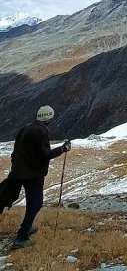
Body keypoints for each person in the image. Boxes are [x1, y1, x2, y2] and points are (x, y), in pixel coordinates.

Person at [9, 105, 71, 249]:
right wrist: (63, 149)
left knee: (32, 202)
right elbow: (45, 155)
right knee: (36, 203)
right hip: (33, 174)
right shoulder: (41, 132)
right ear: (49, 118)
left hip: (20, 172)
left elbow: (16, 150)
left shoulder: (26, 128)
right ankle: (22, 237)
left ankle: (27, 227)